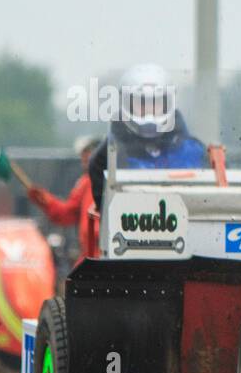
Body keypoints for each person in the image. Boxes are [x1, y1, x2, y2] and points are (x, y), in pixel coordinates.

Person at [89, 64, 208, 208]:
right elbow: (107, 213)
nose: (149, 110)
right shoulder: (108, 155)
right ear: (126, 104)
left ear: (168, 103)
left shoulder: (195, 151)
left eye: (155, 102)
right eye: (141, 103)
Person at [26, 136, 100, 261]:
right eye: (83, 154)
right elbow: (66, 214)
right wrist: (44, 199)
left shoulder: (116, 181)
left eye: (88, 153)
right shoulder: (85, 183)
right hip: (90, 257)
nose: (84, 158)